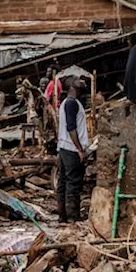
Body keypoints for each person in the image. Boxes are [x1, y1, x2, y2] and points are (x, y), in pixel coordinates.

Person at [57, 77, 90, 223]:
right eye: (78, 82)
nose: (82, 83)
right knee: (73, 183)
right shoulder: (72, 103)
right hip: (71, 149)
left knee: (63, 182)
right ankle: (72, 217)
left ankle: (62, 216)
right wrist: (80, 149)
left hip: (64, 147)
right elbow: (72, 128)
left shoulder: (67, 103)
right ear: (72, 86)